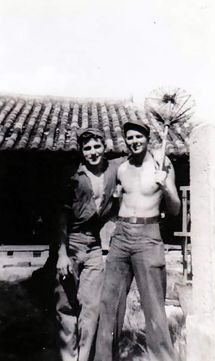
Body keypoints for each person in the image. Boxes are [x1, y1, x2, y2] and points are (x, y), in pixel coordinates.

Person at [95, 119, 181, 361]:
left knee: (154, 305)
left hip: (148, 235)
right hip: (121, 235)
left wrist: (166, 187)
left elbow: (175, 208)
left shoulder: (162, 164)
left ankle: (162, 357)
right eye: (130, 137)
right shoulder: (122, 168)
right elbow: (111, 206)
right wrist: (114, 198)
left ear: (147, 137)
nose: (134, 141)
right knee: (109, 303)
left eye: (138, 136)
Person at [54, 128, 124, 361]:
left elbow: (138, 156)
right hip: (70, 244)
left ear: (105, 148)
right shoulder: (73, 175)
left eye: (96, 146)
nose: (92, 152)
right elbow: (61, 217)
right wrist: (62, 254)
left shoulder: (114, 169)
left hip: (94, 246)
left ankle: (83, 358)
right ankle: (68, 357)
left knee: (92, 307)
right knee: (65, 306)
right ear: (82, 152)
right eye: (87, 148)